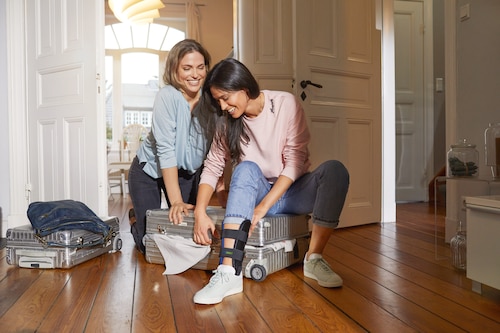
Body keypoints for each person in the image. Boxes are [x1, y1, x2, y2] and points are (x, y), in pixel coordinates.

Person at [191, 58, 350, 304]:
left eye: (225, 98)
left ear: (243, 88)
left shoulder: (285, 104)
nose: (222, 106)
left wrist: (263, 207)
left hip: (291, 192)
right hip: (258, 190)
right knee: (245, 169)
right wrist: (200, 211)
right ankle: (228, 271)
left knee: (335, 171)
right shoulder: (226, 122)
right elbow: (213, 166)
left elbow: (295, 162)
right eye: (218, 101)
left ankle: (314, 258)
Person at [127, 39, 219, 254]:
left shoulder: (213, 100)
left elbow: (218, 146)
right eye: (187, 68)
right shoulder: (166, 96)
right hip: (148, 170)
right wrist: (176, 201)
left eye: (200, 67)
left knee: (184, 235)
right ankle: (135, 223)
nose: (195, 74)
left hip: (186, 174)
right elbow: (165, 150)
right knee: (148, 244)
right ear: (174, 70)